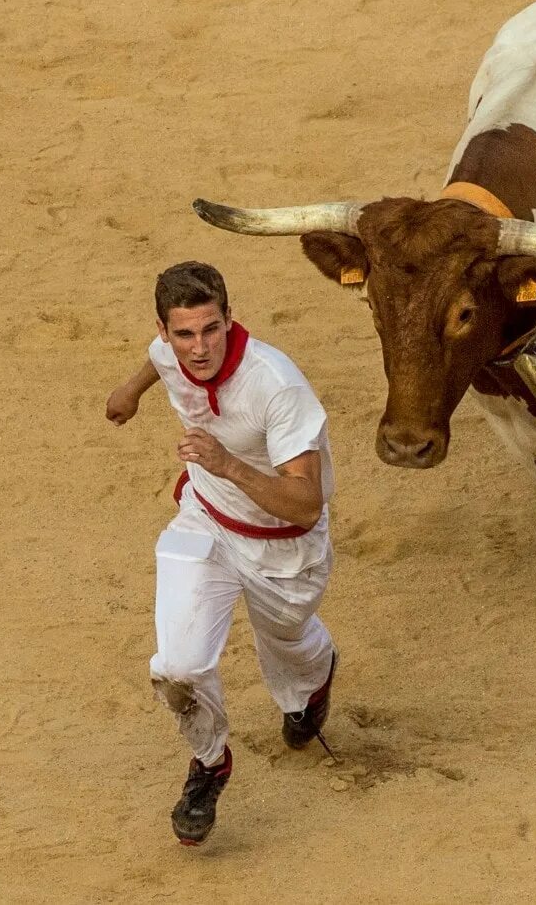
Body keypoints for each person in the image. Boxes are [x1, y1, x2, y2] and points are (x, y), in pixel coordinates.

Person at [106, 260, 338, 847]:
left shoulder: (275, 385)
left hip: (285, 546)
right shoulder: (169, 353)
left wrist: (227, 464)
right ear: (164, 331)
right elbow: (159, 366)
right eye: (184, 334)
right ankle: (209, 762)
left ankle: (314, 678)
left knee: (288, 639)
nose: (199, 347)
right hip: (204, 521)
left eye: (211, 330)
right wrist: (129, 393)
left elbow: (306, 504)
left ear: (231, 320)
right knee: (178, 667)